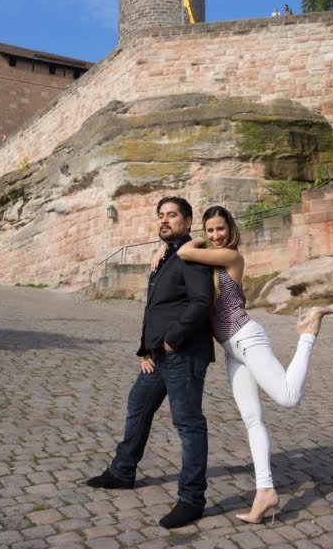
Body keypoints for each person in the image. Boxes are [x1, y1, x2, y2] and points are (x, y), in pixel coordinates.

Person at [153, 205, 333, 525]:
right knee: (252, 420)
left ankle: (307, 334)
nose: (215, 235)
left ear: (231, 229)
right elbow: (182, 253)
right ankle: (265, 491)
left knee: (288, 397)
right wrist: (160, 249)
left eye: (220, 228)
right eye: (209, 230)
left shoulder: (232, 258)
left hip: (247, 338)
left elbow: (182, 251)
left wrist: (171, 248)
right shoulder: (207, 259)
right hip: (231, 350)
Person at [87, 196, 215, 529]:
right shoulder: (166, 257)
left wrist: (173, 339)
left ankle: (191, 499)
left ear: (188, 222)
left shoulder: (192, 256)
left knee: (188, 424)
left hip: (183, 354)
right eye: (161, 215)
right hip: (158, 355)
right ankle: (122, 470)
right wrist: (147, 348)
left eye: (172, 215)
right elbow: (156, 309)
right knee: (138, 405)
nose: (164, 220)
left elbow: (202, 301)